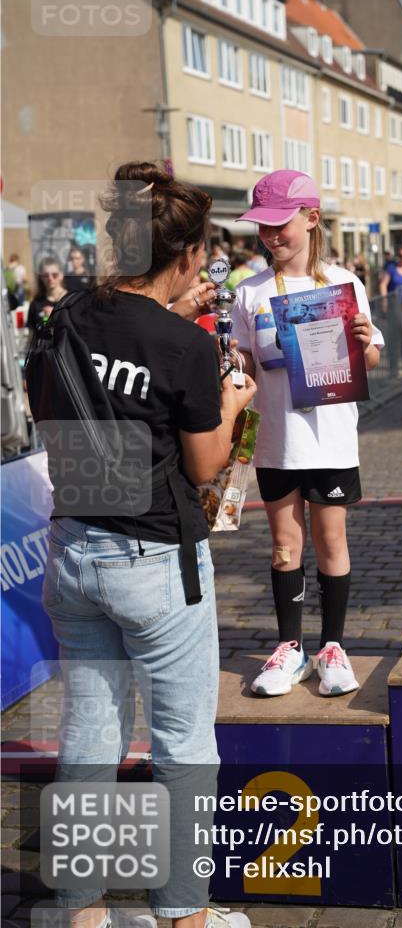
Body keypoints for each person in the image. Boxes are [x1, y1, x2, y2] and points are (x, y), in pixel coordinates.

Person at [34, 163, 256, 928]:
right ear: (190, 254)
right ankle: (184, 917)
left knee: (91, 732)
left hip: (71, 547)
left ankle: (82, 910)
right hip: (154, 560)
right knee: (184, 742)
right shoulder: (184, 347)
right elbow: (203, 464)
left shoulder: (61, 317)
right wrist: (228, 402)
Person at [231, 169, 383, 698]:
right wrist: (234, 358)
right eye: (263, 228)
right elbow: (246, 358)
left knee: (331, 540)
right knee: (282, 546)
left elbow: (371, 356)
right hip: (277, 440)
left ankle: (333, 647)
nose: (271, 237)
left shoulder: (345, 284)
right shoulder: (248, 292)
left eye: (281, 225)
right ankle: (288, 649)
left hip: (332, 438)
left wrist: (365, 340)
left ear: (311, 219)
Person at [27, 257, 68, 336]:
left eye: (54, 275)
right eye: (46, 275)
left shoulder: (72, 300)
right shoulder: (36, 304)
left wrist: (55, 317)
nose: (50, 278)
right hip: (44, 347)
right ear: (41, 277)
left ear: (61, 275)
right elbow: (31, 336)